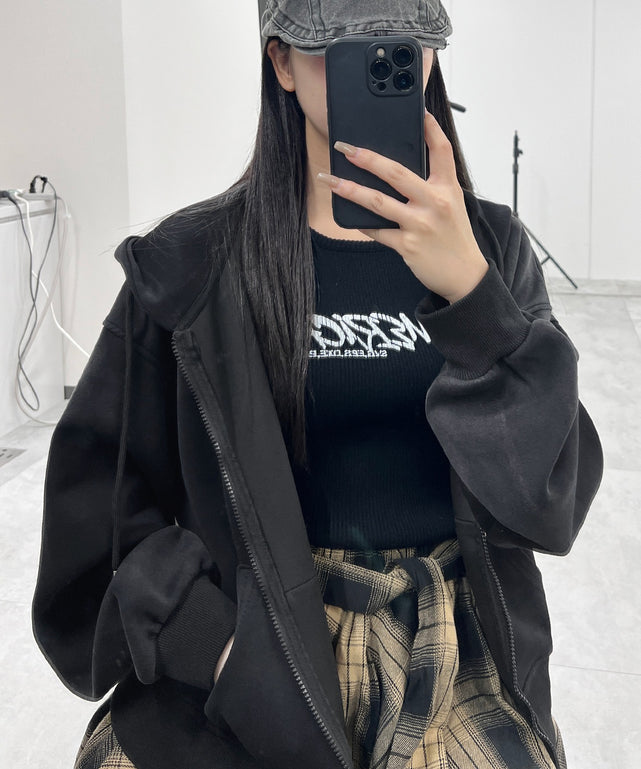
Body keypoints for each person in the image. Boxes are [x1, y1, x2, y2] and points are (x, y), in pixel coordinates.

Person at [32, 1, 603, 768]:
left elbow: (550, 498)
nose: (375, 62)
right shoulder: (189, 267)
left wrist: (473, 298)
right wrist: (214, 645)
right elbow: (98, 513)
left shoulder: (491, 248)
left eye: (399, 46)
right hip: (253, 642)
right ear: (280, 63)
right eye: (338, 47)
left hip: (455, 653)